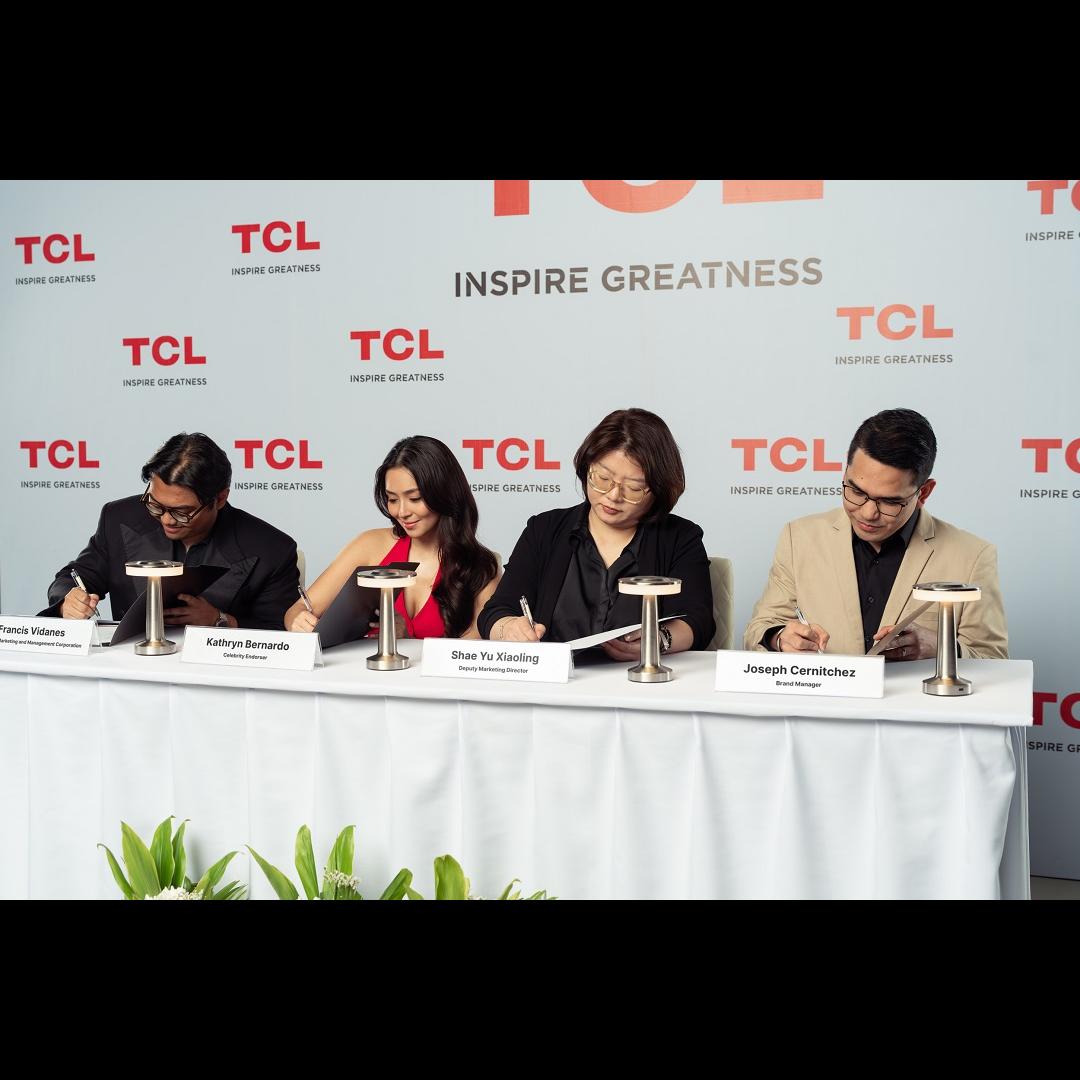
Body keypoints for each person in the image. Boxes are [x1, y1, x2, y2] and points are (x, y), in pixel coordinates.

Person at [743, 408, 1008, 659]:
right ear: (845, 472)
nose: (868, 513)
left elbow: (993, 659)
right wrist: (779, 638)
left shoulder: (972, 557)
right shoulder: (799, 537)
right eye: (857, 491)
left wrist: (942, 648)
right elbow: (759, 629)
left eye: (890, 502)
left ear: (924, 493)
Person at [478, 408, 714, 659]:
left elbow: (698, 621)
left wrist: (659, 640)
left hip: (639, 677)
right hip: (558, 676)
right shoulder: (544, 529)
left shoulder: (680, 538)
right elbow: (496, 612)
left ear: (658, 489)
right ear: (586, 467)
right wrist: (508, 628)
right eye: (602, 478)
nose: (613, 495)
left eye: (633, 488)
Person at [44, 432, 299, 630]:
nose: (166, 519)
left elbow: (282, 631)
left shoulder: (272, 548)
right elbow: (72, 577)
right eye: (156, 505)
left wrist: (220, 621)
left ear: (220, 499)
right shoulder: (119, 518)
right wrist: (69, 601)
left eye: (182, 511)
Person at [284, 436, 499, 639]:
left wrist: (407, 640)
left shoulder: (481, 567)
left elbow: (470, 654)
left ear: (444, 494)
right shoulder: (369, 545)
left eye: (415, 498)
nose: (402, 512)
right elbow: (300, 608)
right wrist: (297, 619)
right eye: (393, 499)